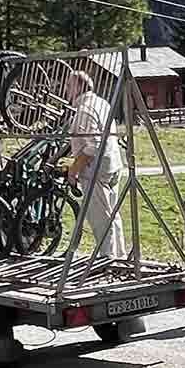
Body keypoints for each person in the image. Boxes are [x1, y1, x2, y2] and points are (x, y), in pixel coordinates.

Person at [65, 70, 126, 259]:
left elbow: (92, 145)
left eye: (69, 86)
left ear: (78, 87)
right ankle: (119, 255)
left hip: (95, 170)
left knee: (100, 218)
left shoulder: (84, 110)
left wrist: (74, 169)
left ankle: (107, 259)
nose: (66, 90)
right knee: (112, 214)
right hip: (113, 164)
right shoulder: (101, 103)